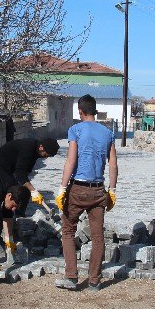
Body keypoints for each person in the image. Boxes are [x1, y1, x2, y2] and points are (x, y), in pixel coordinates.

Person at [54, 94, 117, 292]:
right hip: (99, 190)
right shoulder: (108, 133)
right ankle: (94, 281)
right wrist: (112, 190)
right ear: (95, 111)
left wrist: (62, 188)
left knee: (68, 231)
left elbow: (71, 161)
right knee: (98, 237)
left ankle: (71, 277)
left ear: (80, 111)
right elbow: (113, 164)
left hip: (78, 189)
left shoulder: (75, 130)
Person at [0, 137, 60, 251]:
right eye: (46, 154)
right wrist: (34, 191)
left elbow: (25, 172)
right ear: (41, 147)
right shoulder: (27, 148)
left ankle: (17, 226)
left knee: (21, 195)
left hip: (9, 172)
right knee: (2, 202)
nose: (46, 157)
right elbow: (20, 174)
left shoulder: (36, 151)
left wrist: (27, 189)